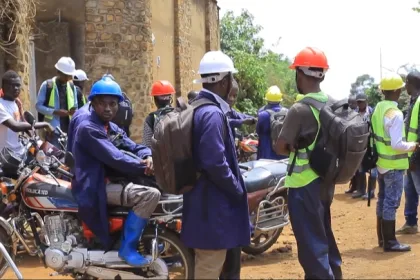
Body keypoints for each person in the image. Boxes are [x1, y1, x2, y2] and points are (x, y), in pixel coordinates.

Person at [72, 75, 161, 266]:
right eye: (103, 103)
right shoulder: (89, 128)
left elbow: (134, 146)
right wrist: (145, 167)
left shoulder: (109, 126)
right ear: (94, 104)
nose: (108, 108)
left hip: (110, 179)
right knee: (150, 195)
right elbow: (116, 158)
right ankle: (127, 248)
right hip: (95, 186)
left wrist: (149, 156)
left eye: (112, 104)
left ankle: (144, 238)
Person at [181, 50, 250, 279]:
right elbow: (214, 162)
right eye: (231, 78)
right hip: (211, 207)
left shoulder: (199, 108)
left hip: (203, 202)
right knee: (209, 268)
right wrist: (237, 188)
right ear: (224, 81)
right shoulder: (211, 114)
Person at [276, 47, 342, 279]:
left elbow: (280, 146)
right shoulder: (332, 104)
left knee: (312, 248)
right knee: (324, 236)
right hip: (326, 182)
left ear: (300, 75)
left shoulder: (299, 109)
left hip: (303, 185)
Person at [372, 73, 417, 252]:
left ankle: (382, 239)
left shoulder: (378, 109)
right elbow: (397, 144)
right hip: (394, 166)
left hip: (382, 164)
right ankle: (390, 242)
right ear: (398, 91)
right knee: (391, 202)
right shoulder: (396, 114)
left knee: (382, 200)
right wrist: (414, 145)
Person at [0, 70, 52, 156]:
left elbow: (22, 124)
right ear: (3, 86)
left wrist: (35, 138)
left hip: (19, 152)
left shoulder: (15, 103)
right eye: (12, 85)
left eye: (18, 85)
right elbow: (15, 126)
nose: (16, 88)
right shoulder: (1, 105)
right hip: (6, 158)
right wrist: (45, 124)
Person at [397, 70, 420, 235]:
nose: (405, 86)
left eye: (407, 82)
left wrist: (414, 158)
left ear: (412, 84)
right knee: (410, 190)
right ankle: (410, 223)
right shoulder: (413, 101)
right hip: (411, 155)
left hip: (416, 157)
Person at [36, 57, 78, 147]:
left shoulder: (71, 87)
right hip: (52, 131)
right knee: (53, 158)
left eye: (69, 75)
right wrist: (55, 112)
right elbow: (38, 106)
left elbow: (76, 106)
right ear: (58, 72)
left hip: (69, 132)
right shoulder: (48, 85)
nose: (68, 77)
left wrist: (74, 111)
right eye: (66, 75)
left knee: (67, 159)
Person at [351, 93, 378, 199]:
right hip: (359, 146)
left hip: (371, 144)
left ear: (367, 101)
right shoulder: (354, 114)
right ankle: (361, 190)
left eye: (362, 101)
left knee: (373, 170)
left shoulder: (372, 112)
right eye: (358, 102)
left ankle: (371, 192)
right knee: (360, 169)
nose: (360, 104)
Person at [256, 86, 287, 160]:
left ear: (267, 99)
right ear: (280, 99)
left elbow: (258, 131)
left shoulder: (262, 114)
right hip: (284, 155)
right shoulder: (288, 112)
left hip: (266, 154)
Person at [142, 80, 175, 148]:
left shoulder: (151, 119)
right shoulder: (179, 114)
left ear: (155, 100)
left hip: (160, 157)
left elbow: (147, 145)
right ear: (170, 98)